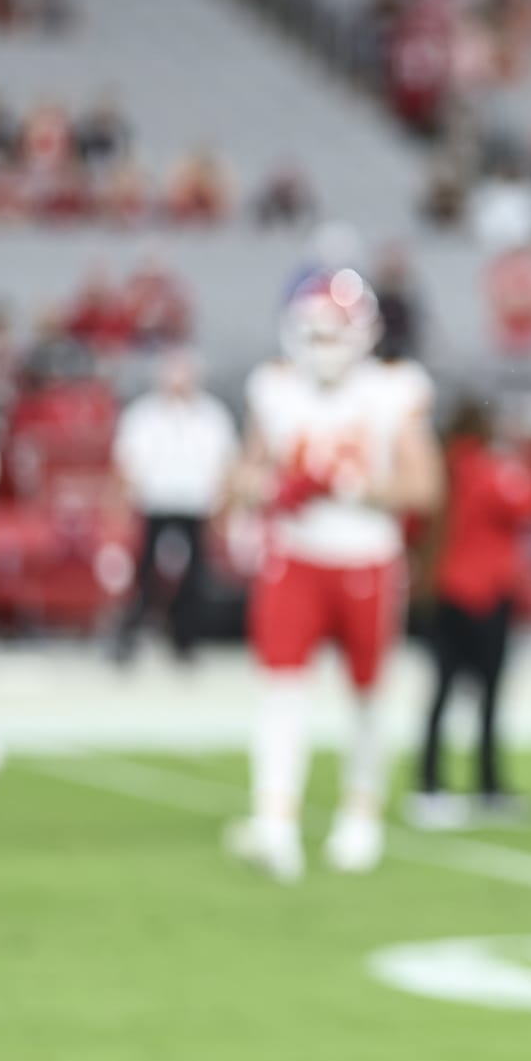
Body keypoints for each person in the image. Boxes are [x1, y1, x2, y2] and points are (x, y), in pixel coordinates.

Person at [222, 269, 442, 882]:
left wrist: (348, 486)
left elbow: (424, 488)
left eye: (334, 330)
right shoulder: (275, 389)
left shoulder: (393, 392)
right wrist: (271, 487)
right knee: (280, 691)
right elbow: (241, 476)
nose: (323, 343)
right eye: (314, 331)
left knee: (368, 697)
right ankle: (275, 820)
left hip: (366, 559)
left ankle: (361, 813)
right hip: (295, 557)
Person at [408, 399, 531, 830]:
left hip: (442, 592)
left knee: (441, 693)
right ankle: (487, 787)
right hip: (487, 594)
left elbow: (413, 525)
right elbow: (528, 505)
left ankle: (430, 785)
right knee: (488, 697)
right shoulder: (491, 469)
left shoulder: (439, 469)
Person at [111, 347, 237, 665]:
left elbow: (226, 464)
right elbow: (126, 463)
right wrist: (123, 501)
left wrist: (224, 504)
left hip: (196, 507)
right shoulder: (142, 415)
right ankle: (130, 638)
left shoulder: (212, 415)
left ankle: (185, 641)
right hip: (155, 505)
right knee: (144, 576)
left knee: (195, 578)